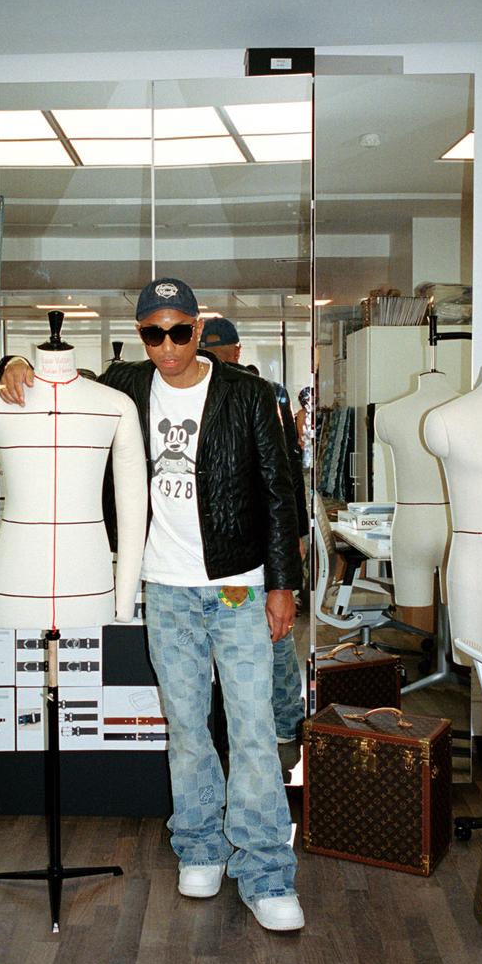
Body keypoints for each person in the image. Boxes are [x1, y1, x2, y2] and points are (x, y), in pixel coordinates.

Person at [0, 277, 304, 931]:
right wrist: (10, 364)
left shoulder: (247, 395)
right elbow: (56, 381)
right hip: (164, 588)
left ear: (199, 328)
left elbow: (281, 491)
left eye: (178, 330)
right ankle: (200, 847)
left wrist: (285, 584)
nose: (167, 345)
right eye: (152, 332)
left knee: (252, 732)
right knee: (188, 731)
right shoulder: (124, 388)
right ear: (142, 336)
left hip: (239, 584)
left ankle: (267, 871)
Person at [200, 316, 307, 744]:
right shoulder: (188, 390)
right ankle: (278, 719)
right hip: (223, 542)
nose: (212, 357)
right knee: (257, 634)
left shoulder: (265, 394)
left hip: (260, 537)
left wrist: (294, 533)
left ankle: (285, 719)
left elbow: (286, 470)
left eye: (216, 349)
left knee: (272, 631)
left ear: (236, 351)